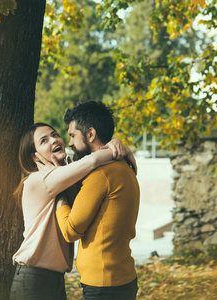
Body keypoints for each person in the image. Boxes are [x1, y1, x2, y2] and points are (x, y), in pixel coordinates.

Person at [10, 122, 136, 300]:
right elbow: (92, 161)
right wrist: (121, 148)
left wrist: (117, 142)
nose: (54, 140)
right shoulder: (38, 180)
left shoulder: (65, 176)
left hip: (54, 278)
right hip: (33, 277)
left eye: (54, 135)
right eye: (44, 140)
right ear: (34, 156)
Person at [56, 101, 140, 300]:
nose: (70, 143)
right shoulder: (124, 166)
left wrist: (59, 197)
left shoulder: (101, 175)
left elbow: (70, 231)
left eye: (73, 136)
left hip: (104, 284)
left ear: (91, 134)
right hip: (123, 278)